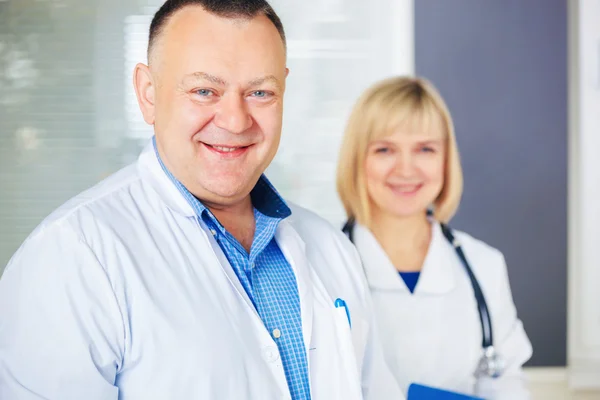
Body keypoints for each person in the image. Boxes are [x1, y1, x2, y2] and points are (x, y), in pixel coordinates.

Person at [0, 1, 405, 399]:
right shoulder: (72, 257)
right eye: (204, 90)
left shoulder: (330, 248)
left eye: (260, 92)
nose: (235, 120)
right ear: (148, 94)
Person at [336, 76, 533, 399]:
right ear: (358, 159)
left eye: (425, 149)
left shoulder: (484, 265)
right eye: (385, 149)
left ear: (445, 160)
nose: (406, 169)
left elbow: (506, 382)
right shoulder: (321, 262)